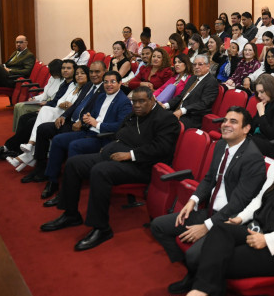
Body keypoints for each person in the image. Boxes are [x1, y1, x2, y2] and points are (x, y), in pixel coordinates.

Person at [164, 133, 274, 296]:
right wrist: (240, 217)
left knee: (215, 257)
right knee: (221, 228)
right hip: (256, 230)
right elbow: (259, 199)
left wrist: (267, 240)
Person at [40, 86, 180, 250]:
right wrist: (111, 147)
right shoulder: (133, 115)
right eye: (134, 101)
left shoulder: (166, 119)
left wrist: (131, 155)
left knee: (100, 172)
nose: (137, 105)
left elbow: (162, 148)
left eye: (142, 101)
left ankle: (101, 228)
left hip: (143, 166)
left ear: (152, 100)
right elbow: (120, 134)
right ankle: (71, 214)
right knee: (74, 163)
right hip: (117, 156)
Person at [150, 107, 267, 295]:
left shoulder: (252, 158)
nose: (226, 125)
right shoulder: (221, 145)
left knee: (194, 254)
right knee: (158, 226)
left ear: (246, 129)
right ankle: (197, 271)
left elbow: (239, 203)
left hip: (228, 222)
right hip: (209, 211)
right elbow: (209, 178)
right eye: (225, 120)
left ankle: (197, 273)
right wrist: (193, 200)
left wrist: (207, 226)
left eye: (233, 122)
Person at [40, 69, 133, 203]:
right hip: (89, 131)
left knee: (74, 146)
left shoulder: (123, 101)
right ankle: (52, 181)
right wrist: (87, 117)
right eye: (106, 82)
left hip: (104, 137)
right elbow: (92, 113)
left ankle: (67, 191)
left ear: (120, 83)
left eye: (113, 82)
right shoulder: (101, 96)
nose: (109, 85)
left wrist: (97, 124)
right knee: (58, 140)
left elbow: (120, 126)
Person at [162, 54, 220, 129]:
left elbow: (204, 103)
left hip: (192, 116)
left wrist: (182, 111)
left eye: (200, 64)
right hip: (178, 110)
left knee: (166, 123)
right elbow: (181, 96)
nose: (196, 67)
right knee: (157, 114)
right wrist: (166, 105)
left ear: (208, 66)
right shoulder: (192, 78)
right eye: (194, 64)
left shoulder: (211, 82)